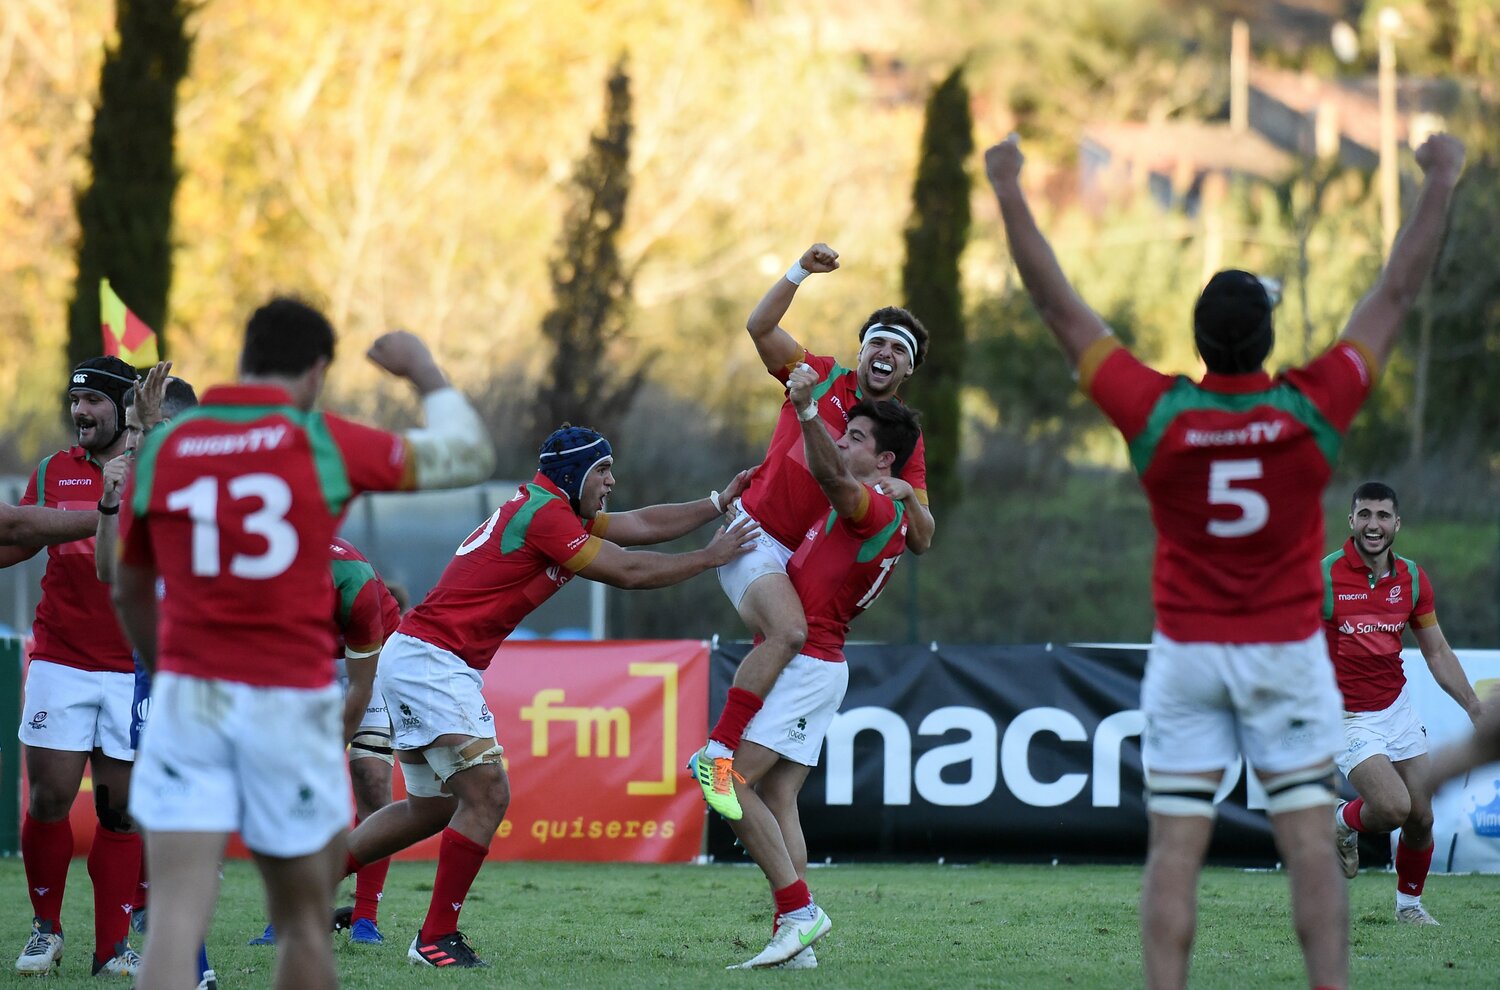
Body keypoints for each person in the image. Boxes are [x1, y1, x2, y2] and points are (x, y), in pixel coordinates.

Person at [984, 130, 1465, 990]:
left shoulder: (1158, 412)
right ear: (1269, 337)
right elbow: (1397, 289)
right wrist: (1441, 177)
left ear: (1198, 339)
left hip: (1189, 657)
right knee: (1312, 845)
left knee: (1175, 848)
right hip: (1285, 656)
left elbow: (1060, 308)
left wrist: (1011, 187)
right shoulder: (1309, 410)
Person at [112, 297, 496, 990]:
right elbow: (467, 453)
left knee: (173, 916)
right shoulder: (318, 440)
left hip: (190, 697)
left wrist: (169, 669)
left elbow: (126, 584)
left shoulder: (169, 444)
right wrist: (424, 371)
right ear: (316, 370)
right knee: (302, 922)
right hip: (286, 705)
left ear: (243, 359)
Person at [339, 424, 758, 968]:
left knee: (433, 808)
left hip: (428, 658)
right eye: (602, 470)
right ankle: (435, 937)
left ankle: (310, 880)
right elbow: (627, 571)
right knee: (487, 794)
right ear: (574, 473)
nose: (611, 480)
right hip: (431, 662)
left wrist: (715, 503)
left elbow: (638, 525)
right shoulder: (546, 515)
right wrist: (708, 557)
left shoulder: (551, 506)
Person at [694, 243, 934, 820]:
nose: (885, 352)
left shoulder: (901, 439)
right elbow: (759, 326)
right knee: (790, 635)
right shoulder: (821, 374)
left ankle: (799, 909)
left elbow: (922, 537)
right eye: (877, 340)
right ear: (861, 351)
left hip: (800, 569)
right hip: (754, 536)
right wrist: (799, 270)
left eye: (898, 350)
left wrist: (906, 495)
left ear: (906, 372)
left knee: (780, 794)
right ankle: (719, 754)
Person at [718, 363, 919, 970]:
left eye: (856, 438)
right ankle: (795, 942)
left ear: (884, 462)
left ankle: (800, 910)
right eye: (844, 431)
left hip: (808, 666)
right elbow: (915, 524)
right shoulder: (884, 503)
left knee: (724, 782)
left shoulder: (868, 507)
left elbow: (832, 476)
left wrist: (807, 410)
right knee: (778, 796)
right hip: (819, 666)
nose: (841, 441)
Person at [1, 356, 144, 978]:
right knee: (52, 800)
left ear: (123, 408)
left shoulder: (158, 471)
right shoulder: (54, 469)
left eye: (93, 402)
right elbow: (20, 527)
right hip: (61, 660)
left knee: (119, 811)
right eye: (73, 400)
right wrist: (111, 511)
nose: (79, 412)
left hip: (135, 668)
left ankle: (111, 948)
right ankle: (45, 929)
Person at [94, 364, 220, 990]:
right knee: (163, 813)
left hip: (211, 668)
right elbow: (109, 573)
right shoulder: (138, 481)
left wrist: (145, 434)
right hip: (157, 668)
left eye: (168, 428)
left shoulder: (209, 480)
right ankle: (191, 965)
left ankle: (190, 961)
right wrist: (110, 500)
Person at [1323, 482, 1483, 924]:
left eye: (1383, 516)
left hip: (1397, 709)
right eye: (1365, 515)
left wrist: (1472, 705)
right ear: (1351, 520)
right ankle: (1341, 820)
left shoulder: (1412, 578)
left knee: (1422, 819)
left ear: (1397, 523)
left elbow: (1436, 650)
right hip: (1346, 716)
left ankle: (1409, 907)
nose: (1373, 525)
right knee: (1394, 808)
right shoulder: (1324, 576)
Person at [251, 537, 403, 948]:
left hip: (370, 664)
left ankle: (366, 918)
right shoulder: (254, 568)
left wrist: (331, 747)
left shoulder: (351, 576)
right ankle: (285, 915)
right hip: (306, 670)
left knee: (371, 779)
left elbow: (361, 684)